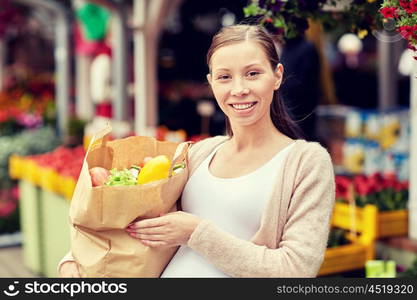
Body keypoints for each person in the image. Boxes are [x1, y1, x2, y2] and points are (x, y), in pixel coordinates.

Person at [59, 24, 335, 278]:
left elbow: (296, 269)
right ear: (211, 83)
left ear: (277, 76)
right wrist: (74, 260)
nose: (239, 89)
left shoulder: (306, 163)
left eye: (252, 74)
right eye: (224, 77)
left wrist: (195, 232)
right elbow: (132, 216)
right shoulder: (200, 153)